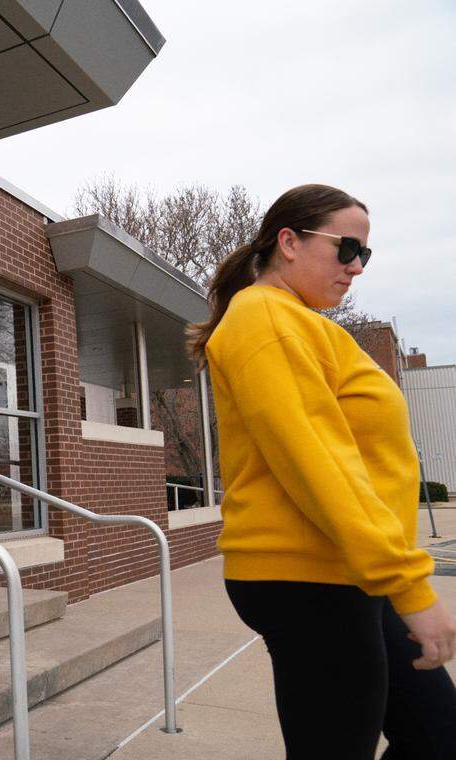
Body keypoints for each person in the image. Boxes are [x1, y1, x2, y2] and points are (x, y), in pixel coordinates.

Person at [189, 184, 456, 759]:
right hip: (309, 577)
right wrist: (410, 586)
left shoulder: (302, 323)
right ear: (288, 242)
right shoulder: (265, 319)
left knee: (439, 736)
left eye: (366, 254)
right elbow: (318, 462)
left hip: (348, 570)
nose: (356, 267)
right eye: (346, 248)